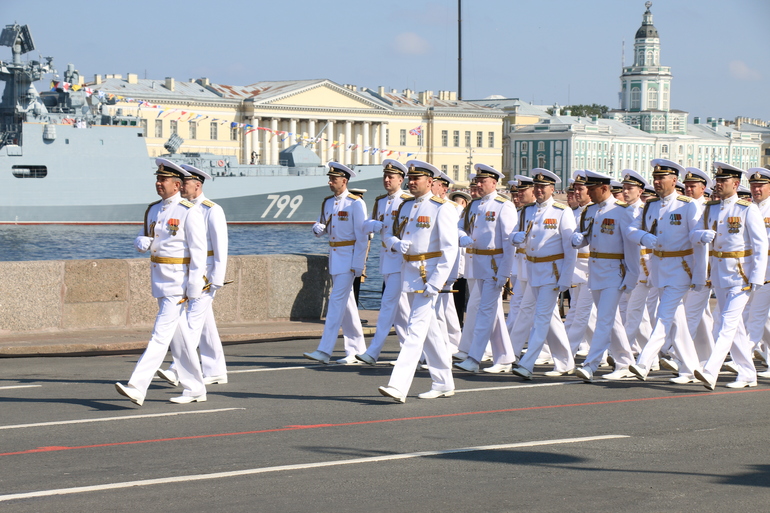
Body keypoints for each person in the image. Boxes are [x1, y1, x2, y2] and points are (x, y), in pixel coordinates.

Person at [115, 158, 207, 405]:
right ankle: (196, 388)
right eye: (157, 179)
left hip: (178, 282)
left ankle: (137, 385)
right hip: (159, 279)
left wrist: (195, 285)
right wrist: (140, 243)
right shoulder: (153, 210)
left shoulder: (189, 211)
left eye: (163, 180)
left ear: (177, 185)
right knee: (181, 338)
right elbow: (146, 237)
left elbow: (199, 251)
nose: (158, 183)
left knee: (160, 335)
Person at [378, 159, 458, 402]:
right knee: (430, 330)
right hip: (410, 272)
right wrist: (394, 243)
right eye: (410, 179)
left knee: (415, 330)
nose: (412, 183)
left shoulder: (441, 208)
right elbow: (389, 233)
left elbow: (450, 249)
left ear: (430, 182)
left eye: (417, 179)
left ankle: (398, 386)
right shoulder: (405, 207)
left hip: (428, 276)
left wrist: (437, 281)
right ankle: (443, 382)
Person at [626, 160, 705, 384]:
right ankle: (690, 368)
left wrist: (700, 275)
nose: (657, 182)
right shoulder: (649, 206)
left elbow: (697, 238)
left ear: (674, 180)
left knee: (663, 316)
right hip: (659, 269)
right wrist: (643, 237)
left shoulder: (687, 205)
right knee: (676, 320)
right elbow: (630, 228)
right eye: (655, 178)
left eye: (662, 178)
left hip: (681, 268)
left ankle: (643, 362)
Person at [693, 162, 767, 389]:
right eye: (718, 180)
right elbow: (693, 233)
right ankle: (747, 373)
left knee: (727, 323)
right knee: (735, 328)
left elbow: (760, 244)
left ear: (735, 184)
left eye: (724, 181)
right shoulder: (711, 208)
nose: (719, 184)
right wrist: (701, 234)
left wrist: (757, 276)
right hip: (719, 274)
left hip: (741, 275)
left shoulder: (746, 209)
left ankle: (710, 370)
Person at [156, 164, 230, 388]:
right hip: (189, 272)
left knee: (192, 321)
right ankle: (215, 370)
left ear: (197, 185)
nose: (182, 187)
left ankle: (176, 369)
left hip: (206, 274)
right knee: (206, 325)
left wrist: (217, 277)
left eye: (185, 183)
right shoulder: (182, 209)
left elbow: (220, 246)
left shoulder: (211, 209)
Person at [572, 169, 639, 382]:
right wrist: (578, 239)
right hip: (596, 270)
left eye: (592, 189)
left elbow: (632, 248)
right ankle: (626, 363)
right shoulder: (590, 211)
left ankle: (590, 364)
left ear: (604, 188)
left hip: (615, 271)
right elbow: (587, 236)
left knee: (604, 319)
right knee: (612, 320)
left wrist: (632, 276)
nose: (588, 193)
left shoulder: (623, 211)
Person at [509, 169, 576, 379]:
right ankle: (565, 362)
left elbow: (570, 247)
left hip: (552, 271)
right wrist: (515, 238)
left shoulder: (561, 211)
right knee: (550, 319)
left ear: (552, 189)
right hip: (532, 270)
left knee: (541, 318)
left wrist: (566, 277)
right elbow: (514, 234)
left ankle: (527, 363)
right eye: (536, 187)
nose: (539, 191)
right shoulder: (527, 211)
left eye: (543, 187)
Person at [454, 163, 518, 374]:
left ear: (494, 183)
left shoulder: (503, 205)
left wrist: (505, 272)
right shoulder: (473, 205)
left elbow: (510, 243)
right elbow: (461, 226)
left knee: (485, 311)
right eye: (477, 181)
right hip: (477, 265)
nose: (478, 184)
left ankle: (474, 357)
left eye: (483, 181)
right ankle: (505, 357)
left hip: (494, 266)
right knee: (493, 313)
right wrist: (462, 235)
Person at [303, 162, 367, 364]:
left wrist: (359, 263)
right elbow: (321, 227)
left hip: (348, 257)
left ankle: (324, 350)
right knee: (347, 305)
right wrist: (317, 228)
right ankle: (356, 350)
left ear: (344, 181)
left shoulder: (355, 203)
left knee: (336, 301)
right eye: (329, 179)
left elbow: (362, 236)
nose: (330, 182)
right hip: (335, 255)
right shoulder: (327, 203)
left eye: (334, 179)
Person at [356, 160, 411, 365]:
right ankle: (413, 353)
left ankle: (373, 352)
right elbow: (371, 224)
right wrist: (370, 224)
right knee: (401, 311)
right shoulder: (380, 201)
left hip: (402, 260)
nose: (387, 180)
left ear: (401, 180)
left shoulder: (407, 201)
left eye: (391, 177)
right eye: (385, 177)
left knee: (388, 305)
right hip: (387, 259)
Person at [744, 168, 770, 377]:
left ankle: (743, 358)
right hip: (755, 270)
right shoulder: (748, 209)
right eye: (753, 186)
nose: (756, 189)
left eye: (760, 185)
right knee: (757, 317)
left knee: (756, 317)